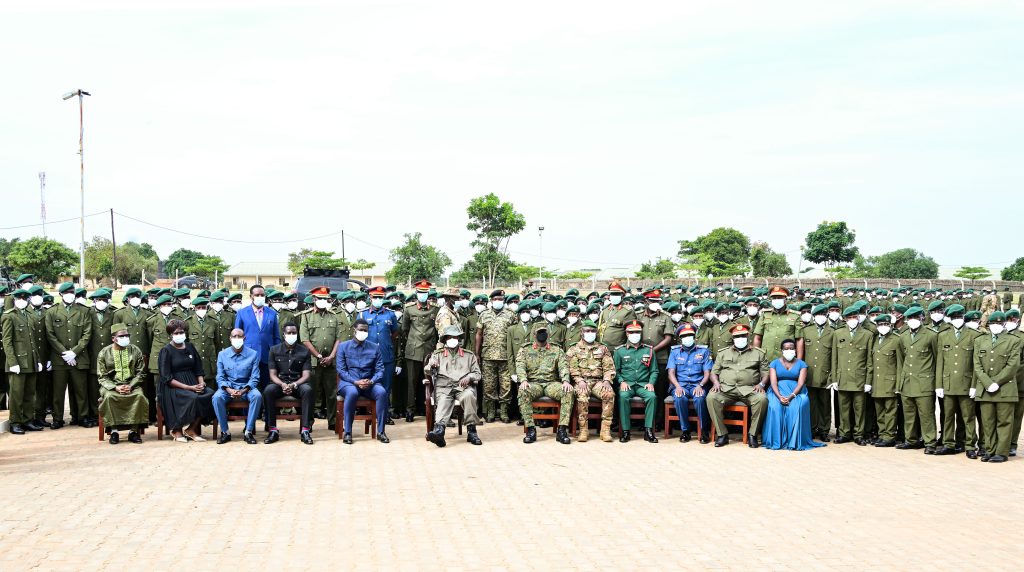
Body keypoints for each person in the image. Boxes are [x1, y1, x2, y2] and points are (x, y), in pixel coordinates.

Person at [708, 323, 769, 448]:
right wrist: (716, 382)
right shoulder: (723, 353)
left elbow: (766, 372)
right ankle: (722, 434)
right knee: (711, 398)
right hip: (726, 389)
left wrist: (762, 384)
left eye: (742, 336)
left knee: (762, 399)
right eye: (737, 336)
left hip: (750, 389)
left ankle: (752, 434)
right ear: (733, 338)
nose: (740, 338)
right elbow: (714, 372)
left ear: (747, 336)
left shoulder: (758, 353)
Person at [44, 282, 94, 429]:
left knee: (81, 389)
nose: (70, 295)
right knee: (58, 391)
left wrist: (74, 352)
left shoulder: (84, 311)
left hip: (79, 357)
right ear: (60, 295)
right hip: (59, 359)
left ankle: (82, 417)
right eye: (67, 293)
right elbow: (50, 335)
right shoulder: (52, 312)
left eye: (72, 292)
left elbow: (87, 333)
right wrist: (64, 353)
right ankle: (58, 418)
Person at [423, 325, 483, 447]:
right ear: (445, 339)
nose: (452, 339)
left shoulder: (468, 355)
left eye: (455, 337)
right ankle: (439, 432)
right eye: (449, 337)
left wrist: (469, 377)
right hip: (444, 387)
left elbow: (478, 374)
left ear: (459, 339)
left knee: (469, 396)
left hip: (462, 386)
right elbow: (427, 370)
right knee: (444, 401)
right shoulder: (437, 354)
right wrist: (432, 365)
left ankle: (472, 431)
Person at [973, 312, 1020, 463]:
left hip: (1005, 388)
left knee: (1004, 422)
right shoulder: (980, 340)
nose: (996, 326)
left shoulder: (1013, 340)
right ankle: (989, 449)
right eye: (993, 323)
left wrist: (996, 382)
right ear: (988, 324)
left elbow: (1013, 365)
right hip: (985, 388)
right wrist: (987, 383)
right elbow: (977, 365)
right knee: (987, 422)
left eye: (1000, 324)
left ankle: (1001, 452)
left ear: (1004, 324)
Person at [158, 319, 215, 442]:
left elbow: (198, 368)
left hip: (192, 382)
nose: (179, 335)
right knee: (192, 397)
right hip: (173, 386)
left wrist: (201, 382)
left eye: (181, 332)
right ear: (171, 335)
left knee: (209, 394)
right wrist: (189, 388)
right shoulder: (166, 350)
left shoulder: (190, 346)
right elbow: (166, 378)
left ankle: (191, 429)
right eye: (176, 333)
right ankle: (176, 429)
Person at [934, 304, 981, 456]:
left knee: (968, 417)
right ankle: (948, 443)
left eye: (959, 317)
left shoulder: (974, 335)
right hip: (947, 383)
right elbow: (940, 361)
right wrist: (938, 385)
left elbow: (976, 364)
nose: (957, 320)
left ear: (964, 318)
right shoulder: (943, 335)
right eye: (954, 318)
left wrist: (974, 385)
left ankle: (969, 446)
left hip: (966, 383)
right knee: (947, 416)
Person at [762, 339, 825, 451]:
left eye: (791, 348)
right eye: (786, 348)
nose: (789, 350)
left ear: (795, 350)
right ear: (782, 351)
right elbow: (773, 382)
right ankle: (776, 440)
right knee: (775, 407)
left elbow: (801, 383)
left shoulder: (802, 364)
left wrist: (791, 396)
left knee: (798, 405)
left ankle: (795, 440)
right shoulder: (774, 363)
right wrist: (779, 396)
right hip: (777, 391)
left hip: (796, 392)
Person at [516, 324, 573, 444]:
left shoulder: (556, 349)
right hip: (533, 384)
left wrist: (565, 381)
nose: (542, 334)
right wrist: (523, 380)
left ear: (548, 334)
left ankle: (562, 430)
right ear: (534, 334)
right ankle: (531, 430)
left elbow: (563, 366)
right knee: (523, 391)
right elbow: (520, 366)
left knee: (568, 391)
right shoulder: (525, 349)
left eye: (544, 332)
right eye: (539, 332)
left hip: (551, 383)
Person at [300, 286, 346, 430]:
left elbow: (338, 338)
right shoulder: (306, 316)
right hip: (314, 361)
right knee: (312, 393)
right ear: (314, 299)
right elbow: (305, 340)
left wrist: (332, 356)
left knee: (332, 393)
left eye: (325, 299)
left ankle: (333, 422)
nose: (323, 301)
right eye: (320, 299)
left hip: (331, 361)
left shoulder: (333, 315)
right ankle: (309, 423)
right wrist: (319, 356)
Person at [336, 319, 389, 444]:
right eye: (360, 330)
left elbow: (380, 370)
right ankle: (348, 432)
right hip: (349, 383)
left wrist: (371, 381)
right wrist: (356, 381)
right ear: (354, 330)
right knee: (352, 393)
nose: (363, 332)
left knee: (382, 392)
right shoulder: (343, 346)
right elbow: (341, 370)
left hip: (369, 382)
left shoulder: (375, 347)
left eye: (365, 330)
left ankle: (381, 431)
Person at [96, 324, 149, 444]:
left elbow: (141, 373)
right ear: (113, 338)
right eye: (122, 336)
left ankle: (133, 432)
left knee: (139, 396)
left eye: (127, 335)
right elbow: (102, 376)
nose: (125, 338)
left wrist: (130, 386)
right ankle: (114, 432)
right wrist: (116, 387)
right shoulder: (104, 353)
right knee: (109, 397)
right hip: (110, 386)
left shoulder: (135, 350)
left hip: (132, 385)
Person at [896, 307, 939, 453]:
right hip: (907, 381)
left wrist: (937, 383)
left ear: (922, 318)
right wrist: (900, 383)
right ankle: (911, 440)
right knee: (909, 415)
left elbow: (937, 359)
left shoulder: (931, 335)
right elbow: (901, 360)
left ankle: (930, 442)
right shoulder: (903, 336)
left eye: (916, 317)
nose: (913, 320)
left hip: (924, 382)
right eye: (910, 317)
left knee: (926, 415)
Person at [566, 319, 616, 442]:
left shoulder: (603, 348)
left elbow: (609, 368)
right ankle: (583, 430)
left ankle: (605, 430)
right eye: (587, 331)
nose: (590, 333)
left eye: (593, 331)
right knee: (582, 396)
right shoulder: (574, 349)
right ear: (582, 333)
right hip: (582, 381)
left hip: (599, 382)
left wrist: (607, 381)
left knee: (609, 394)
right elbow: (571, 368)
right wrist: (579, 380)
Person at [830, 306, 874, 446]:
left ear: (858, 318)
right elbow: (834, 359)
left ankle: (859, 434)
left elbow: (869, 360)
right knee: (843, 408)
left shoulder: (867, 334)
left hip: (859, 378)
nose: (852, 320)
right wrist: (835, 379)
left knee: (859, 409)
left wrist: (868, 381)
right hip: (843, 377)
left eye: (854, 317)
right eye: (849, 318)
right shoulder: (838, 333)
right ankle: (844, 433)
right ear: (845, 319)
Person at [263, 322, 313, 444]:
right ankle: (272, 429)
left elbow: (306, 375)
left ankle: (305, 430)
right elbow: (272, 374)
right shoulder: (274, 350)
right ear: (284, 334)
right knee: (268, 391)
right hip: (280, 383)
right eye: (289, 333)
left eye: (294, 333)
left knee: (308, 390)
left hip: (298, 384)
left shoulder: (304, 351)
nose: (291, 335)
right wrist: (283, 384)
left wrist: (294, 384)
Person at [2, 288, 43, 434]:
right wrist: (12, 362)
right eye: (19, 298)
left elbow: (33, 342)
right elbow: (7, 341)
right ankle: (15, 422)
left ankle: (27, 420)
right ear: (14, 300)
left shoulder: (29, 316)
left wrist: (37, 359)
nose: (22, 300)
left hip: (30, 361)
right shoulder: (9, 316)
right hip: (18, 362)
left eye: (25, 298)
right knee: (16, 395)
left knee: (29, 393)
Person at [356, 286, 399, 422]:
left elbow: (394, 333)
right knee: (369, 385)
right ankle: (370, 414)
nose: (378, 300)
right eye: (376, 297)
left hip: (386, 356)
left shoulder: (390, 314)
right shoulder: (362, 314)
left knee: (386, 387)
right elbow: (358, 335)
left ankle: (384, 415)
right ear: (370, 298)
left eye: (381, 297)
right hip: (368, 358)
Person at [213, 328, 263, 444]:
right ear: (230, 338)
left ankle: (248, 432)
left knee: (257, 396)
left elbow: (255, 377)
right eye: (234, 336)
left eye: (239, 336)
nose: (237, 339)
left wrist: (243, 391)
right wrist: (229, 390)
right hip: (228, 388)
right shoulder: (222, 354)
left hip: (246, 388)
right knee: (217, 398)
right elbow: (220, 377)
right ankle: (225, 432)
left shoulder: (253, 354)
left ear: (244, 338)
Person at [614, 320, 660, 443]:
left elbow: (654, 370)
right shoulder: (619, 351)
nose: (635, 334)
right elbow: (615, 371)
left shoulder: (649, 350)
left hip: (643, 385)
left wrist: (651, 383)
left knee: (652, 397)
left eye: (637, 332)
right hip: (627, 384)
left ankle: (648, 430)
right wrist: (621, 382)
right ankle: (625, 431)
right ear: (627, 333)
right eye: (632, 332)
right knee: (623, 397)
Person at [666, 323, 712, 443]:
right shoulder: (675, 352)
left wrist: (701, 385)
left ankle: (704, 431)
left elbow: (707, 372)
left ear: (694, 337)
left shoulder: (704, 351)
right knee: (679, 397)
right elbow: (671, 372)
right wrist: (677, 386)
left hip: (698, 384)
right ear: (681, 338)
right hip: (681, 385)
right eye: (685, 336)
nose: (688, 338)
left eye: (690, 335)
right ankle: (685, 431)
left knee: (699, 398)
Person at [399, 280, 438, 422]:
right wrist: (413, 341)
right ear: (416, 293)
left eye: (425, 293)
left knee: (430, 380)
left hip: (430, 350)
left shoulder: (435, 309)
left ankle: (429, 408)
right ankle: (410, 410)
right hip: (413, 350)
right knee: (412, 382)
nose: (423, 295)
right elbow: (405, 330)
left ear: (428, 294)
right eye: (420, 292)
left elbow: (437, 329)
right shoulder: (409, 309)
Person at [475, 289, 515, 423]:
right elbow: (479, 334)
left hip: (505, 356)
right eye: (496, 299)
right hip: (488, 355)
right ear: (491, 301)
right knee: (489, 385)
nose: (498, 301)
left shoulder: (511, 315)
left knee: (506, 385)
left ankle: (504, 412)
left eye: (501, 299)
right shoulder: (484, 314)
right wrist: (477, 353)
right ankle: (491, 412)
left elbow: (514, 335)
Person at [233, 284, 280, 396]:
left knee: (267, 388)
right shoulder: (242, 312)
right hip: (248, 356)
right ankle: (251, 413)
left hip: (267, 356)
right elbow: (237, 335)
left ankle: (266, 412)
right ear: (251, 296)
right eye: (257, 295)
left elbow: (276, 336)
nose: (260, 297)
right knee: (248, 387)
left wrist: (277, 355)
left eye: (262, 295)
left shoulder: (272, 313)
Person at [801, 304, 835, 442]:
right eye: (817, 315)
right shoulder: (806, 331)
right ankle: (812, 428)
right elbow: (802, 353)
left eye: (823, 314)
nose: (820, 317)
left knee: (825, 404)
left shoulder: (832, 332)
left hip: (825, 373)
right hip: (809, 373)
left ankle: (824, 430)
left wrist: (832, 376)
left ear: (826, 315)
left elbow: (834, 356)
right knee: (811, 403)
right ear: (814, 317)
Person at [869, 314, 903, 448]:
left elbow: (900, 364)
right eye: (880, 325)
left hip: (890, 382)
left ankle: (889, 436)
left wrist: (898, 384)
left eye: (886, 324)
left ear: (891, 325)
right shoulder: (875, 339)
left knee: (890, 410)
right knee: (880, 411)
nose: (883, 327)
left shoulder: (896, 340)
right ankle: (882, 434)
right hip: (877, 381)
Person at [753, 286, 803, 364]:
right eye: (774, 298)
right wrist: (756, 358)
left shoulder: (795, 316)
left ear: (785, 299)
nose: (776, 300)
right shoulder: (765, 314)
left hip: (787, 360)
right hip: (766, 359)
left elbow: (799, 340)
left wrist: (799, 362)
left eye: (779, 297)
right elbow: (757, 338)